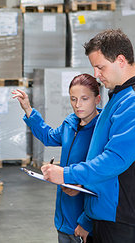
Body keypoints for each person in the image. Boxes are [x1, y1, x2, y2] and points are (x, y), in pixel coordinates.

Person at [41, 29, 135, 243]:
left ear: (121, 60)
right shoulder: (119, 97)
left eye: (100, 67)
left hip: (125, 223)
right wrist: (88, 217)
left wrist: (67, 175)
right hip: (106, 218)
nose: (96, 75)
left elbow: (114, 161)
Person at [12, 74, 101, 243]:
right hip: (64, 217)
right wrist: (28, 109)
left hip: (84, 222)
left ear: (97, 99)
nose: (78, 105)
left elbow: (104, 176)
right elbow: (48, 136)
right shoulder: (70, 124)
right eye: (73, 99)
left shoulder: (102, 131)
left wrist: (86, 222)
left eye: (84, 99)